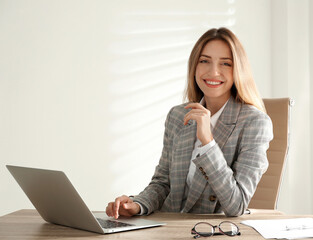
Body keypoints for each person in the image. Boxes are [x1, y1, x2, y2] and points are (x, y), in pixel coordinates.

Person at [106, 27, 273, 218]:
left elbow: (237, 205)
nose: (214, 71)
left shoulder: (255, 123)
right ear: (194, 66)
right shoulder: (178, 116)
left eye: (225, 64)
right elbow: (163, 184)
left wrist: (208, 143)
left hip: (212, 231)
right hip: (169, 227)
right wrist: (137, 204)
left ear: (238, 70)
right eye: (204, 61)